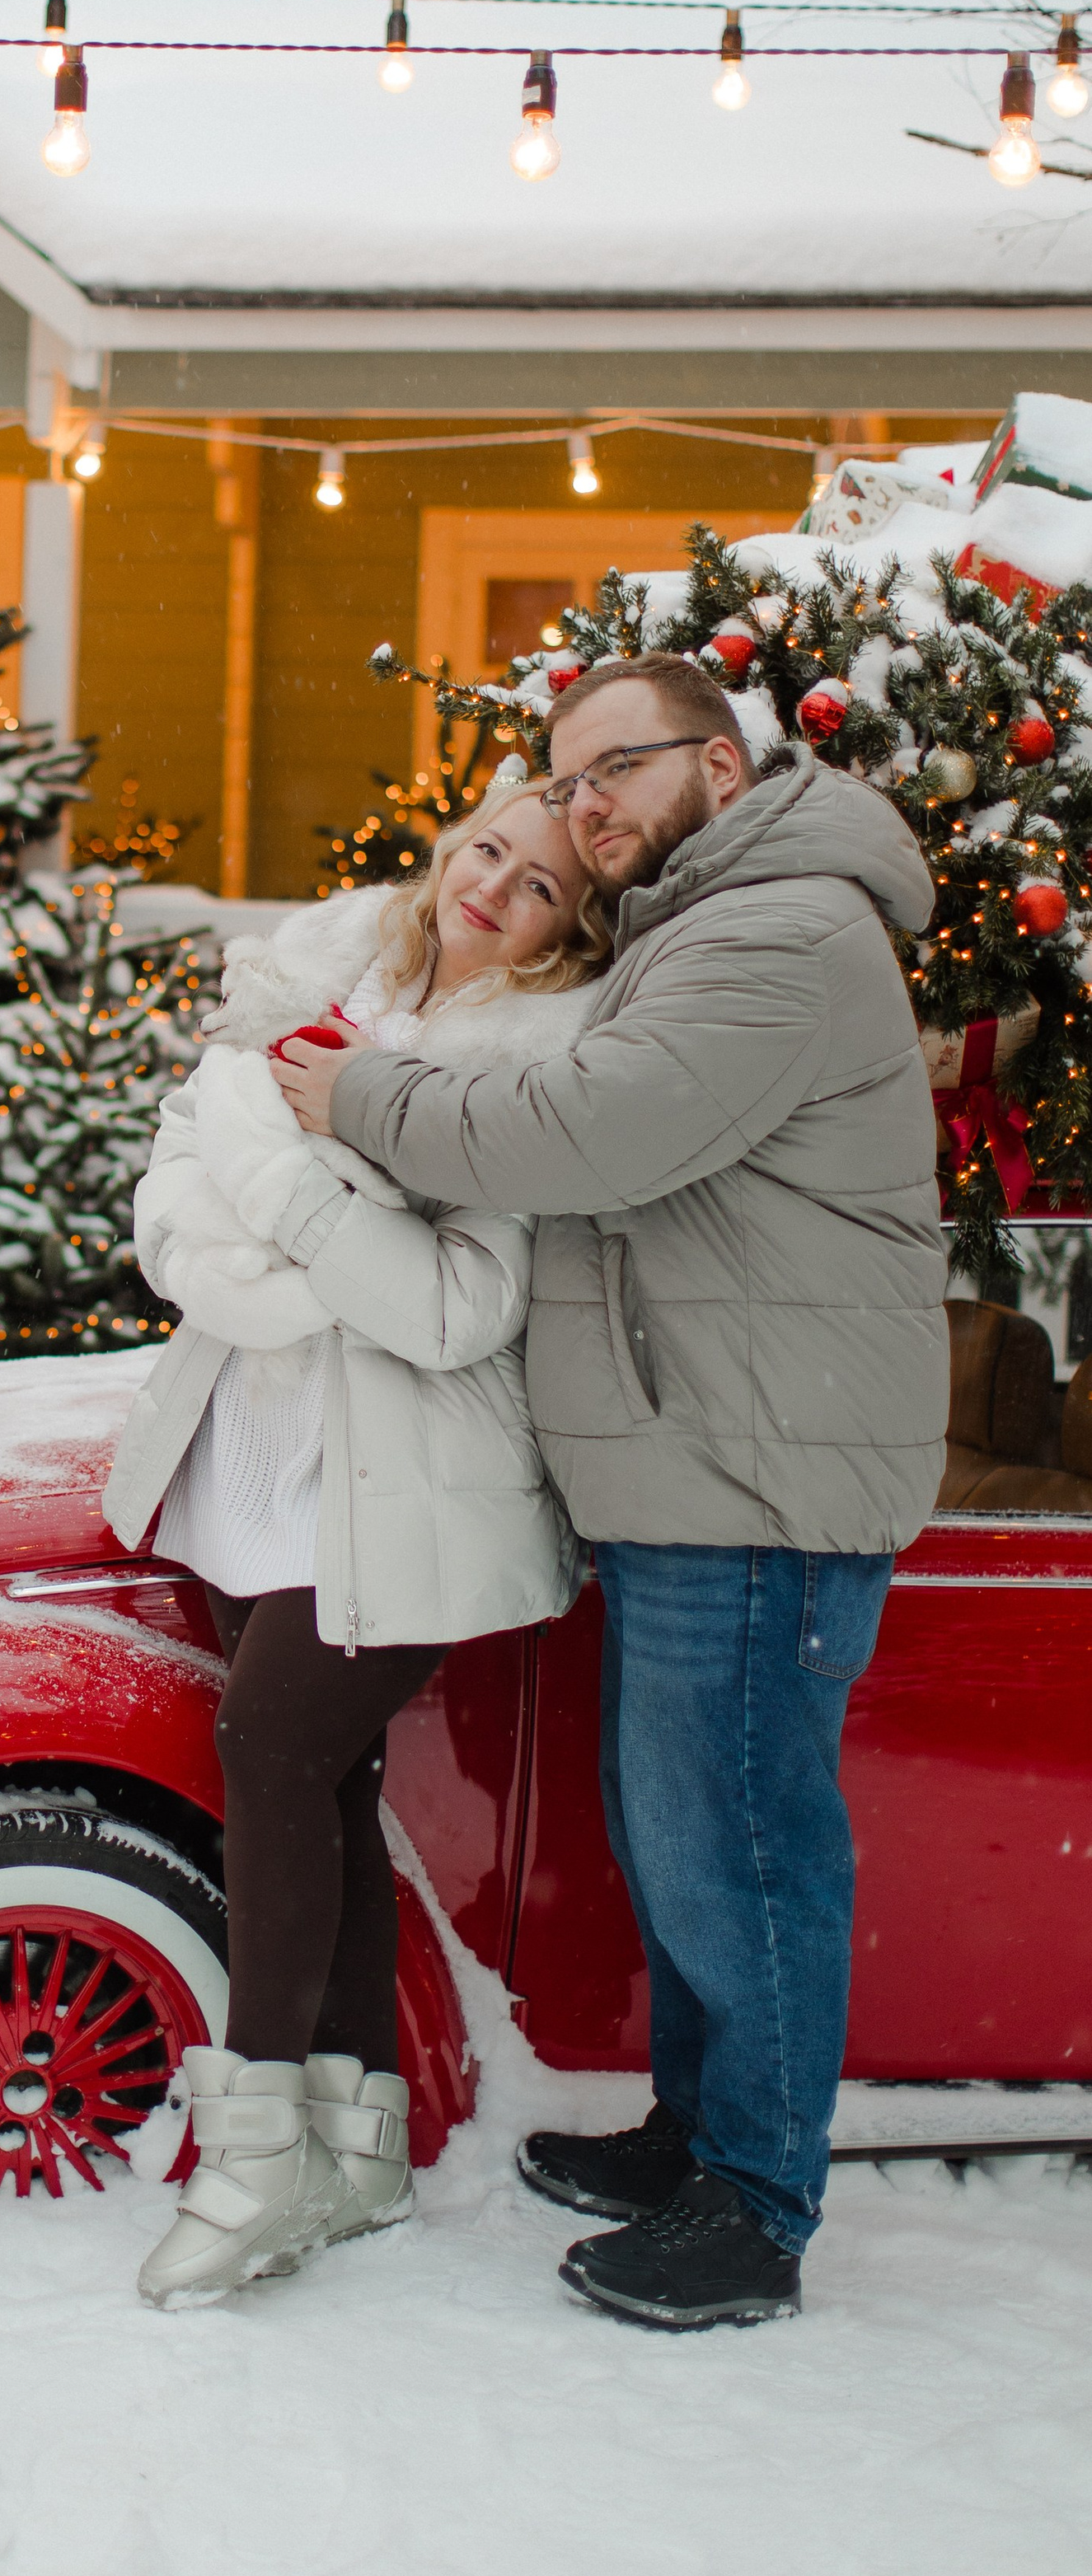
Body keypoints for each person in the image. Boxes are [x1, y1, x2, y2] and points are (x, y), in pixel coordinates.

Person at [275, 653, 948, 2332]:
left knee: (737, 1845)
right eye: (562, 779)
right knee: (682, 1837)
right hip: (698, 1454)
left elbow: (586, 1127)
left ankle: (753, 2203)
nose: (579, 809)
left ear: (718, 767)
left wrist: (357, 1093)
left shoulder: (781, 932)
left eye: (612, 771)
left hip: (752, 1464)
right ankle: (695, 2134)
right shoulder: (710, 924)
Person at [105, 775, 611, 2310]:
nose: (491, 888)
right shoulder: (325, 980)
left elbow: (462, 1311)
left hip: (405, 1486)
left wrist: (287, 1191)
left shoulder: (530, 1074)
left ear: (565, 929)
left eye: (534, 886)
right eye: (486, 851)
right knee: (326, 1774)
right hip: (266, 1445)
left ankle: (256, 2156)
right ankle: (357, 2148)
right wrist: (265, 1233)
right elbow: (172, 1193)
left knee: (267, 1747)